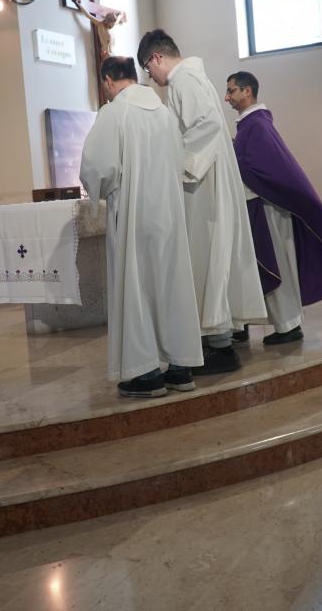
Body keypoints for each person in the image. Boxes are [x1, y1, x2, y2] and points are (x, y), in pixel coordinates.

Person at [136, 30, 267, 373]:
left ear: (157, 58)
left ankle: (220, 349)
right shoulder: (192, 79)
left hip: (201, 185)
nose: (152, 78)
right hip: (205, 180)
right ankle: (214, 342)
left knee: (204, 259)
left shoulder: (184, 81)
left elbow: (205, 127)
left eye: (149, 69)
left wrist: (173, 167)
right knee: (208, 260)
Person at [79, 56, 204, 398]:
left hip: (134, 213)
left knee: (135, 288)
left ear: (108, 81)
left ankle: (146, 373)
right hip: (168, 213)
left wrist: (100, 191)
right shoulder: (163, 113)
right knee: (171, 285)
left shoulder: (114, 113)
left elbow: (97, 168)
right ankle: (180, 368)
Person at [225, 71, 322, 344]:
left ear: (247, 91)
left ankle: (288, 326)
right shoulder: (251, 124)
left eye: (231, 91)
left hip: (267, 206)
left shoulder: (256, 125)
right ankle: (276, 323)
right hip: (262, 203)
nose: (226, 97)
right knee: (270, 265)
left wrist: (229, 156)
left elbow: (263, 167)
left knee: (277, 265)